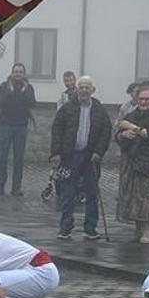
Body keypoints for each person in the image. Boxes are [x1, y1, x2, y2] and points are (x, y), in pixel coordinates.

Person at [50, 75, 112, 240]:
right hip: (70, 157)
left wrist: (99, 152)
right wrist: (56, 153)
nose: (84, 90)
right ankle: (65, 228)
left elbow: (106, 132)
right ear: (77, 90)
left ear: (92, 90)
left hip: (91, 157)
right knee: (67, 193)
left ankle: (90, 228)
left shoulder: (99, 109)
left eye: (87, 87)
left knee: (92, 193)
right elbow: (57, 130)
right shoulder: (67, 108)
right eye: (81, 87)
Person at [115, 82, 149, 243]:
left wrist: (133, 128)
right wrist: (123, 135)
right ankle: (137, 228)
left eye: (147, 99)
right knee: (132, 196)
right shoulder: (131, 114)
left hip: (148, 162)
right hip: (130, 161)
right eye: (141, 99)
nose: (143, 102)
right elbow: (117, 133)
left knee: (147, 197)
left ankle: (147, 230)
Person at [0, 63, 36, 196]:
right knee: (2, 157)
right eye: (16, 71)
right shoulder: (4, 86)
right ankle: (0, 186)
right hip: (6, 125)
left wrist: (24, 91)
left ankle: (16, 187)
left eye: (20, 72)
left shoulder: (28, 88)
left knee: (18, 158)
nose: (18, 74)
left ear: (24, 74)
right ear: (12, 73)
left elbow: (32, 104)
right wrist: (9, 91)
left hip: (21, 126)